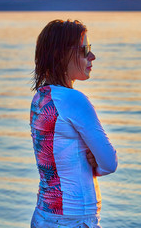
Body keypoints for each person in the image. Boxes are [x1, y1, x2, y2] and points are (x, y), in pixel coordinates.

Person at [30, 19, 118, 228]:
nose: (92, 56)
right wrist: (96, 161)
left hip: (44, 216)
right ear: (61, 55)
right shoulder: (74, 100)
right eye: (84, 49)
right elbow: (110, 163)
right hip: (74, 219)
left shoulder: (40, 99)